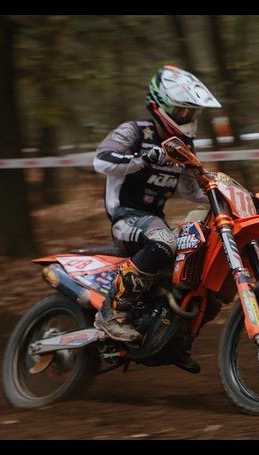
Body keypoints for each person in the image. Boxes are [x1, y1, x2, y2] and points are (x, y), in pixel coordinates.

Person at [92, 65, 221, 372]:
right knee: (165, 242)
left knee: (200, 269)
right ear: (160, 106)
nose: (188, 119)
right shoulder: (135, 131)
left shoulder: (183, 145)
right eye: (182, 111)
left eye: (192, 113)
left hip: (153, 221)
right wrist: (142, 158)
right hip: (125, 217)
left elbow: (191, 190)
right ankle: (111, 313)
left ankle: (171, 342)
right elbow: (101, 160)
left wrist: (223, 193)